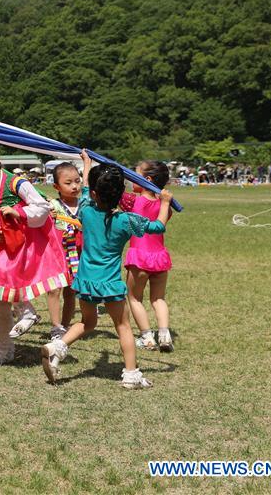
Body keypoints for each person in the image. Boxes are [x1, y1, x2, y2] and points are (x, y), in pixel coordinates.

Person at [41, 151, 172, 389]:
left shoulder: (85, 209)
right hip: (110, 283)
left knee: (87, 322)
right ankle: (131, 375)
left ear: (93, 193)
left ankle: (57, 347)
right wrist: (164, 202)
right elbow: (158, 226)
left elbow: (86, 190)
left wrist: (87, 163)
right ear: (121, 193)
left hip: (86, 280)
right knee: (123, 327)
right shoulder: (127, 221)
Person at [0, 142, 68, 366]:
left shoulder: (16, 182)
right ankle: (5, 350)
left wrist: (17, 212)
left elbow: (41, 206)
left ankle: (27, 311)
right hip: (7, 246)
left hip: (29, 244)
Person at [122, 160, 174, 352]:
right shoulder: (165, 206)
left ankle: (147, 337)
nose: (130, 179)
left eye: (134, 175)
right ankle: (164, 334)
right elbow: (162, 218)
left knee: (134, 298)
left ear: (147, 179)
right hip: (159, 257)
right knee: (158, 299)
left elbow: (115, 194)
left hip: (139, 259)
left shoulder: (131, 201)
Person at [46, 162, 83, 340]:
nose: (75, 186)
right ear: (56, 186)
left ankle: (65, 325)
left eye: (77, 181)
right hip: (58, 254)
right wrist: (47, 217)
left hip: (80, 254)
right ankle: (55, 327)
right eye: (68, 183)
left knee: (71, 292)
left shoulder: (85, 203)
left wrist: (87, 161)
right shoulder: (52, 205)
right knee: (54, 290)